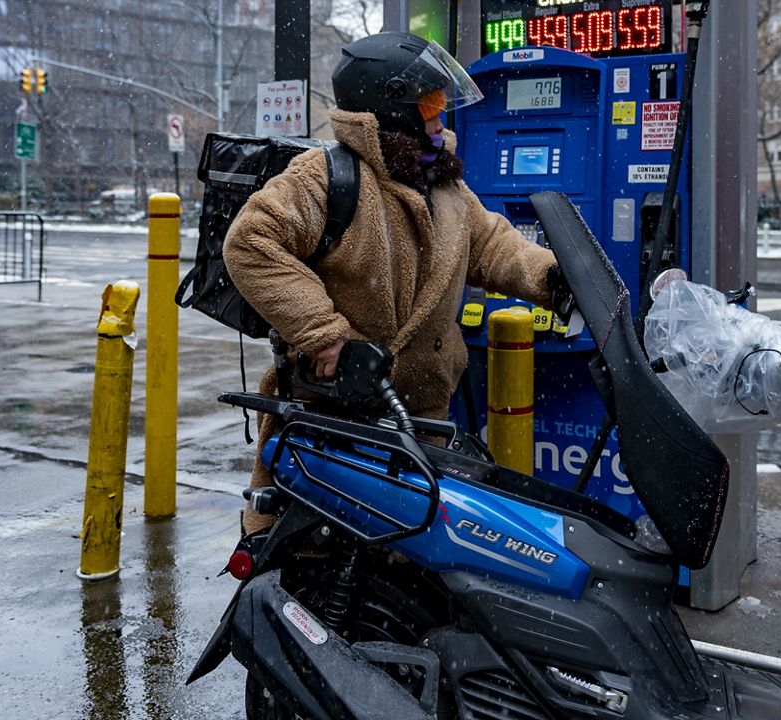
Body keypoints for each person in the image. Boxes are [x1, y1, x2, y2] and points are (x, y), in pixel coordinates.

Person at [224, 32, 565, 534]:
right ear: (390, 105)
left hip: (419, 413)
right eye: (430, 103)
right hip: (334, 413)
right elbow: (250, 242)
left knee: (406, 558)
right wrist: (322, 332)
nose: (441, 116)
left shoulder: (443, 185)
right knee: (317, 555)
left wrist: (554, 276)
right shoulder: (326, 176)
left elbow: (493, 245)